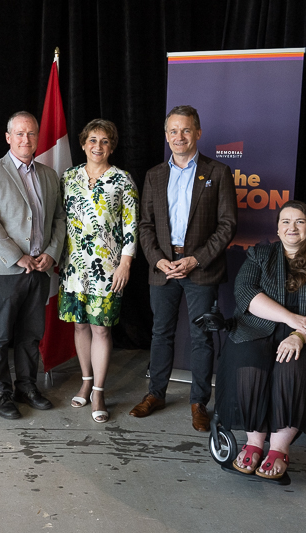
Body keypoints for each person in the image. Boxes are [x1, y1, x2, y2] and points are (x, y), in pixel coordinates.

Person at [217, 200, 306, 479]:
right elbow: (245, 294)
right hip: (257, 328)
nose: (292, 227)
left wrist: (299, 335)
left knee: (292, 370)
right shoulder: (260, 255)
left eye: (299, 221)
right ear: (277, 229)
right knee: (249, 364)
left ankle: (279, 448)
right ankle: (254, 443)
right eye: (285, 222)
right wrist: (290, 318)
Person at [131, 105, 237, 432]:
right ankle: (156, 394)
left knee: (201, 337)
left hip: (200, 269)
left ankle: (198, 402)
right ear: (166, 135)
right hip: (162, 266)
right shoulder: (154, 175)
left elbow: (227, 224)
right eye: (173, 131)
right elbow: (145, 225)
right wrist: (157, 259)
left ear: (198, 133)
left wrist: (196, 259)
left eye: (186, 130)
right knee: (161, 333)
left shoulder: (217, 172)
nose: (179, 136)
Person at [0, 111, 67, 420]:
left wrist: (51, 254)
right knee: (0, 334)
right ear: (8, 137)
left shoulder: (49, 175)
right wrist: (17, 256)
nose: (26, 139)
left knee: (31, 333)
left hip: (40, 268)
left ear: (37, 137)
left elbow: (58, 219)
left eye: (31, 134)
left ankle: (26, 387)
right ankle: (0, 393)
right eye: (19, 134)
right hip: (5, 269)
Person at [58, 119, 139, 423]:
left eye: (105, 141)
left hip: (108, 268)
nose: (98, 146)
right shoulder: (68, 177)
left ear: (112, 146)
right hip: (73, 266)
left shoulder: (122, 180)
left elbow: (131, 224)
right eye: (92, 140)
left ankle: (100, 391)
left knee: (101, 328)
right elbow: (58, 221)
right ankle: (86, 379)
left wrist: (126, 262)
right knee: (79, 326)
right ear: (83, 144)